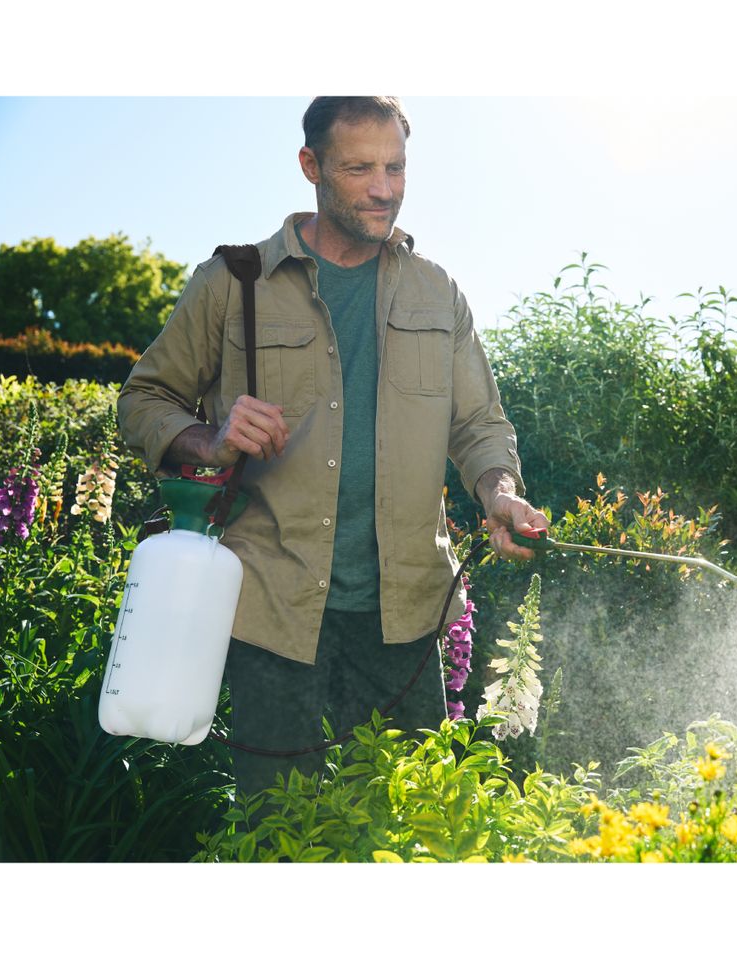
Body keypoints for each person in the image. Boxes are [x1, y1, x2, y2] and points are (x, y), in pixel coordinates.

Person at [117, 96, 547, 799]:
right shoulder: (234, 282)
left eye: (396, 167)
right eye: (359, 168)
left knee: (408, 823)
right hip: (273, 610)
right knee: (279, 828)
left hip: (402, 617)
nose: (384, 188)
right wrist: (211, 438)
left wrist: (499, 491)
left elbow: (478, 426)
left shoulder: (439, 294)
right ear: (311, 166)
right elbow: (143, 399)